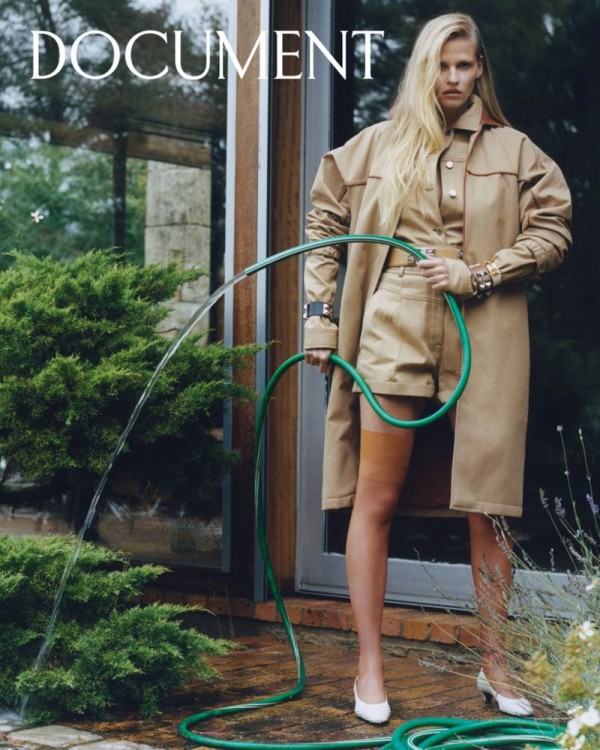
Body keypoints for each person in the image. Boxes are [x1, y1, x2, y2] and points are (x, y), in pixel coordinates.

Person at [303, 13, 571, 725]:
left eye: (466, 65)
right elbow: (324, 222)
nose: (454, 78)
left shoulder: (517, 151)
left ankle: (496, 662)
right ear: (425, 69)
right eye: (442, 66)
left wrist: (481, 272)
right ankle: (369, 665)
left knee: (489, 507)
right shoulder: (376, 146)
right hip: (391, 328)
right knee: (376, 498)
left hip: (484, 332)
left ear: (481, 69)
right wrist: (320, 318)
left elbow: (554, 231)